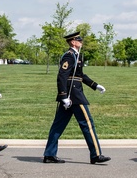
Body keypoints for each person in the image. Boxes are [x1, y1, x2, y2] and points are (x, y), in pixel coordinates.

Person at [42, 31, 109, 164]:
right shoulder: (70, 56)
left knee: (58, 126)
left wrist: (95, 85)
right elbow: (62, 75)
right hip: (74, 96)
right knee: (87, 124)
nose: (81, 42)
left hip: (72, 94)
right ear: (73, 42)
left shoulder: (77, 56)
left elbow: (80, 76)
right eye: (79, 40)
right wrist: (64, 96)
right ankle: (95, 154)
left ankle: (49, 154)